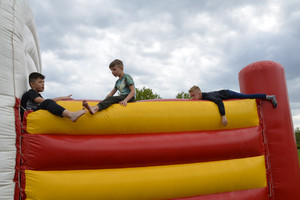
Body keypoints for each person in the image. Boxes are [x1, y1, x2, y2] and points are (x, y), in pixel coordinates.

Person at [188, 85, 277, 126]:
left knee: (248, 97)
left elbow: (219, 101)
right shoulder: (202, 97)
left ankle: (268, 97)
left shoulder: (207, 96)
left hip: (229, 94)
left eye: (193, 96)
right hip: (225, 94)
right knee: (247, 97)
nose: (192, 98)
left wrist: (223, 116)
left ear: (199, 94)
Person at [21, 72, 87, 122]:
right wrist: (62, 98)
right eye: (40, 82)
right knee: (48, 102)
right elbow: (43, 102)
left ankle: (72, 112)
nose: (43, 84)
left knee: (51, 105)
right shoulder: (30, 93)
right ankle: (71, 115)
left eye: (43, 82)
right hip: (28, 114)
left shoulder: (38, 94)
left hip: (35, 112)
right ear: (32, 84)